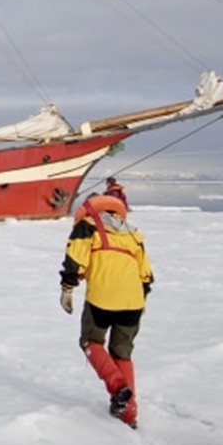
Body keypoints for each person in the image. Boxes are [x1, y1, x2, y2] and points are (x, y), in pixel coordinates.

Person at [59, 181, 153, 428]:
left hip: (102, 297)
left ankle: (118, 387)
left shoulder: (87, 226)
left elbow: (75, 259)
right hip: (134, 300)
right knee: (122, 352)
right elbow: (146, 275)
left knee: (91, 341)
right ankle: (129, 413)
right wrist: (140, 302)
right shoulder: (133, 234)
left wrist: (67, 289)